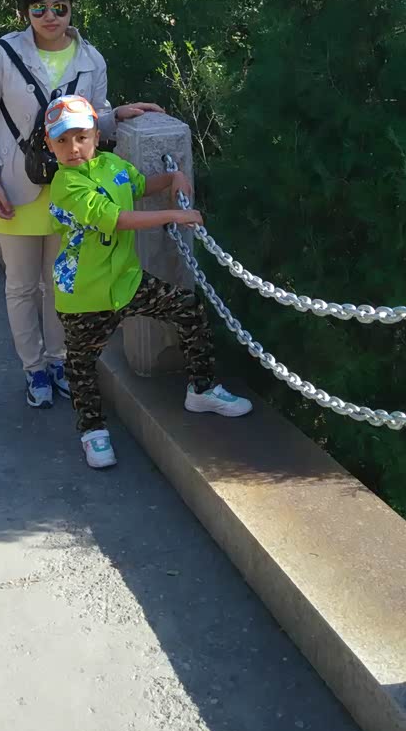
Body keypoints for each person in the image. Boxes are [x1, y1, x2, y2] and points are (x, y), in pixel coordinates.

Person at [0, 0, 163, 410]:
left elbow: (91, 121)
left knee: (62, 284)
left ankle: (59, 361)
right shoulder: (2, 55)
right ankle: (33, 367)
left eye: (59, 7)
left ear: (72, 8)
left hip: (72, 190)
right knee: (21, 286)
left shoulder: (91, 59)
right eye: (39, 8)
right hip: (15, 188)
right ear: (25, 11)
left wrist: (117, 114)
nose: (50, 16)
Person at [45, 94, 253, 469]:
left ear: (96, 136)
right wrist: (175, 214)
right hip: (84, 294)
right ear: (50, 145)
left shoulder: (112, 165)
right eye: (62, 140)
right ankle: (93, 432)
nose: (73, 148)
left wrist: (174, 177)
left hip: (127, 281)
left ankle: (202, 389)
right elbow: (115, 219)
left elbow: (139, 186)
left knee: (188, 307)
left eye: (81, 137)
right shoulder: (65, 184)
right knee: (81, 365)